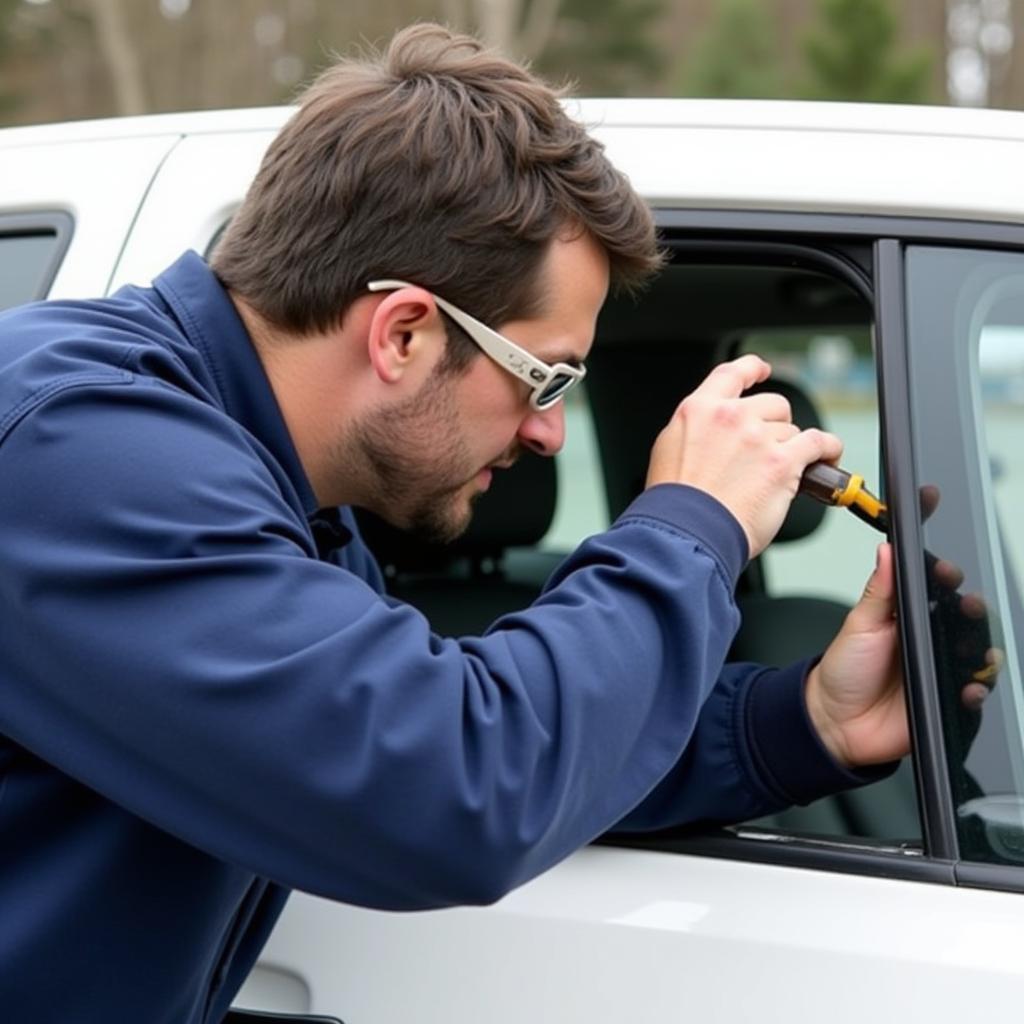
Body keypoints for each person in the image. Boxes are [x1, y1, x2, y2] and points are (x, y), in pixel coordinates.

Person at [0, 23, 909, 1024]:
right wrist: (688, 525)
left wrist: (806, 722)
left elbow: (467, 716)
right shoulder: (74, 454)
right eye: (545, 375)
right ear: (402, 332)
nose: (549, 430)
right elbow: (454, 786)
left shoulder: (285, 493)